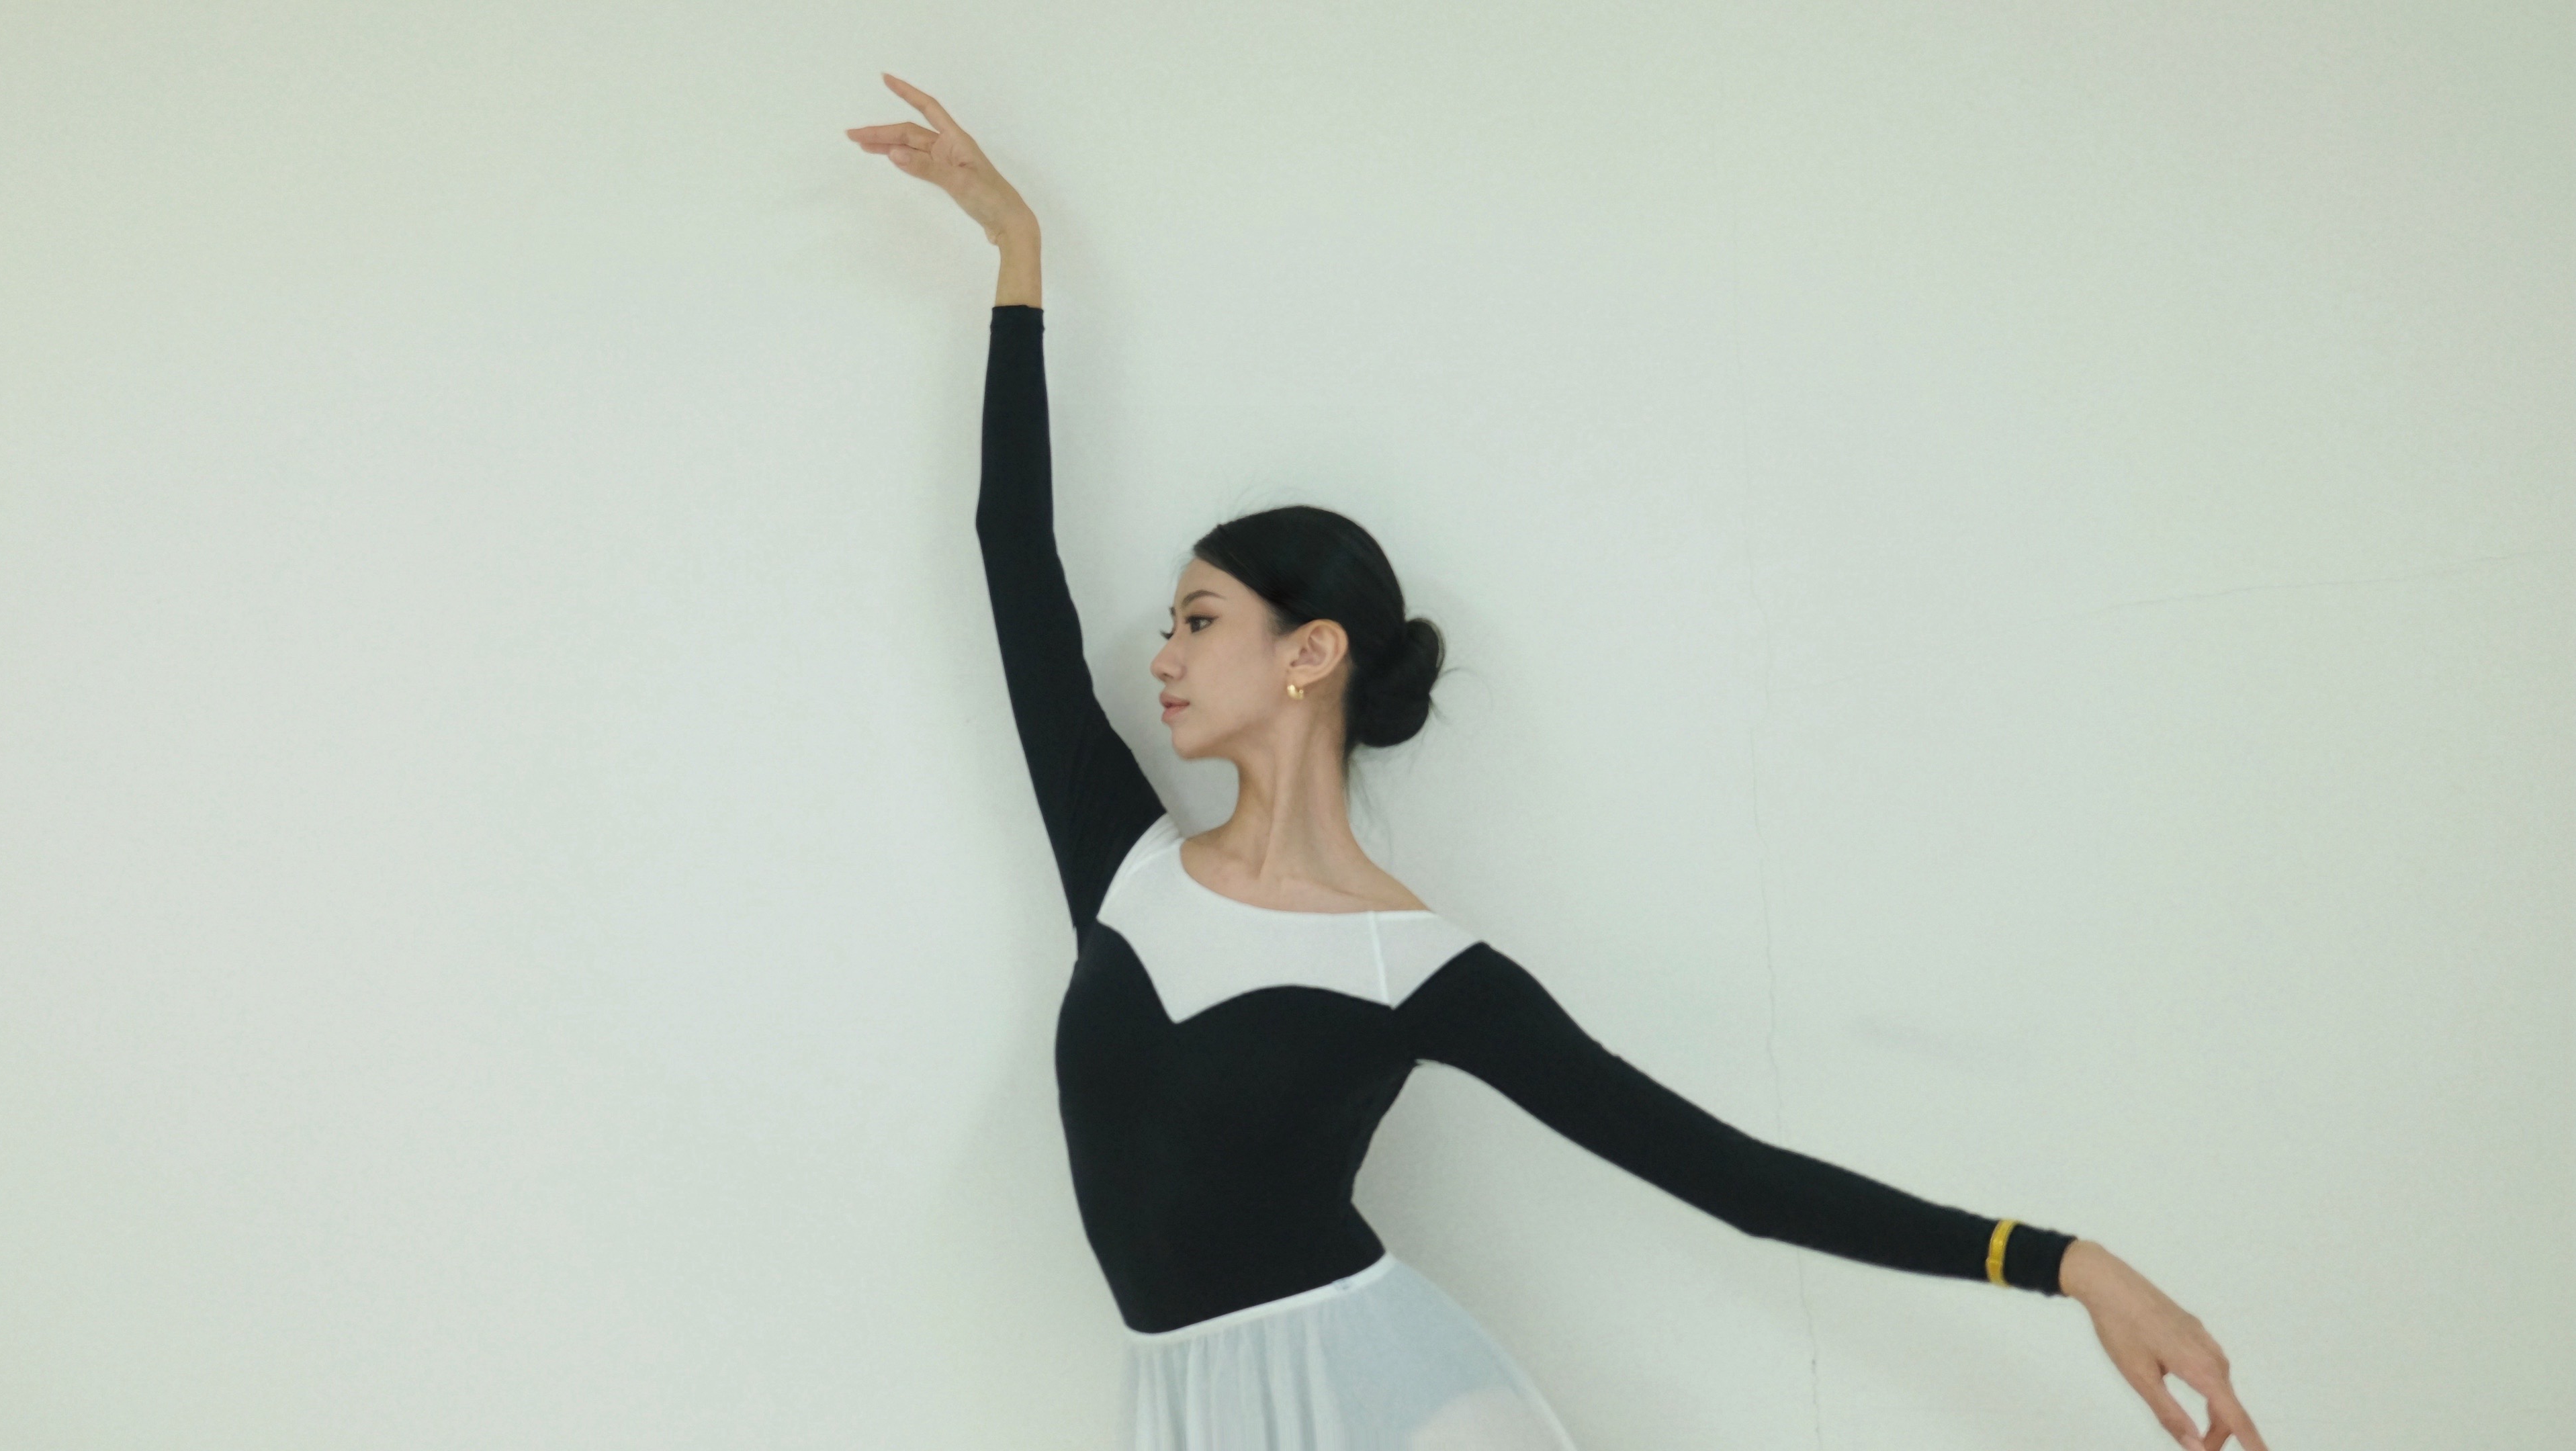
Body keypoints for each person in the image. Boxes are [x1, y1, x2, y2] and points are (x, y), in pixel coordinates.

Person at [848, 74, 2270, 1451]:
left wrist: (2065, 1264)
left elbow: (1731, 1179)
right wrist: (1017, 248)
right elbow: (1011, 553)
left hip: (1389, 1404)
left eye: (1199, 620)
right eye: (1169, 626)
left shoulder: (1420, 970)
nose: (1160, 654)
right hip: (1195, 1410)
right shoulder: (1122, 865)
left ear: (1310, 652)